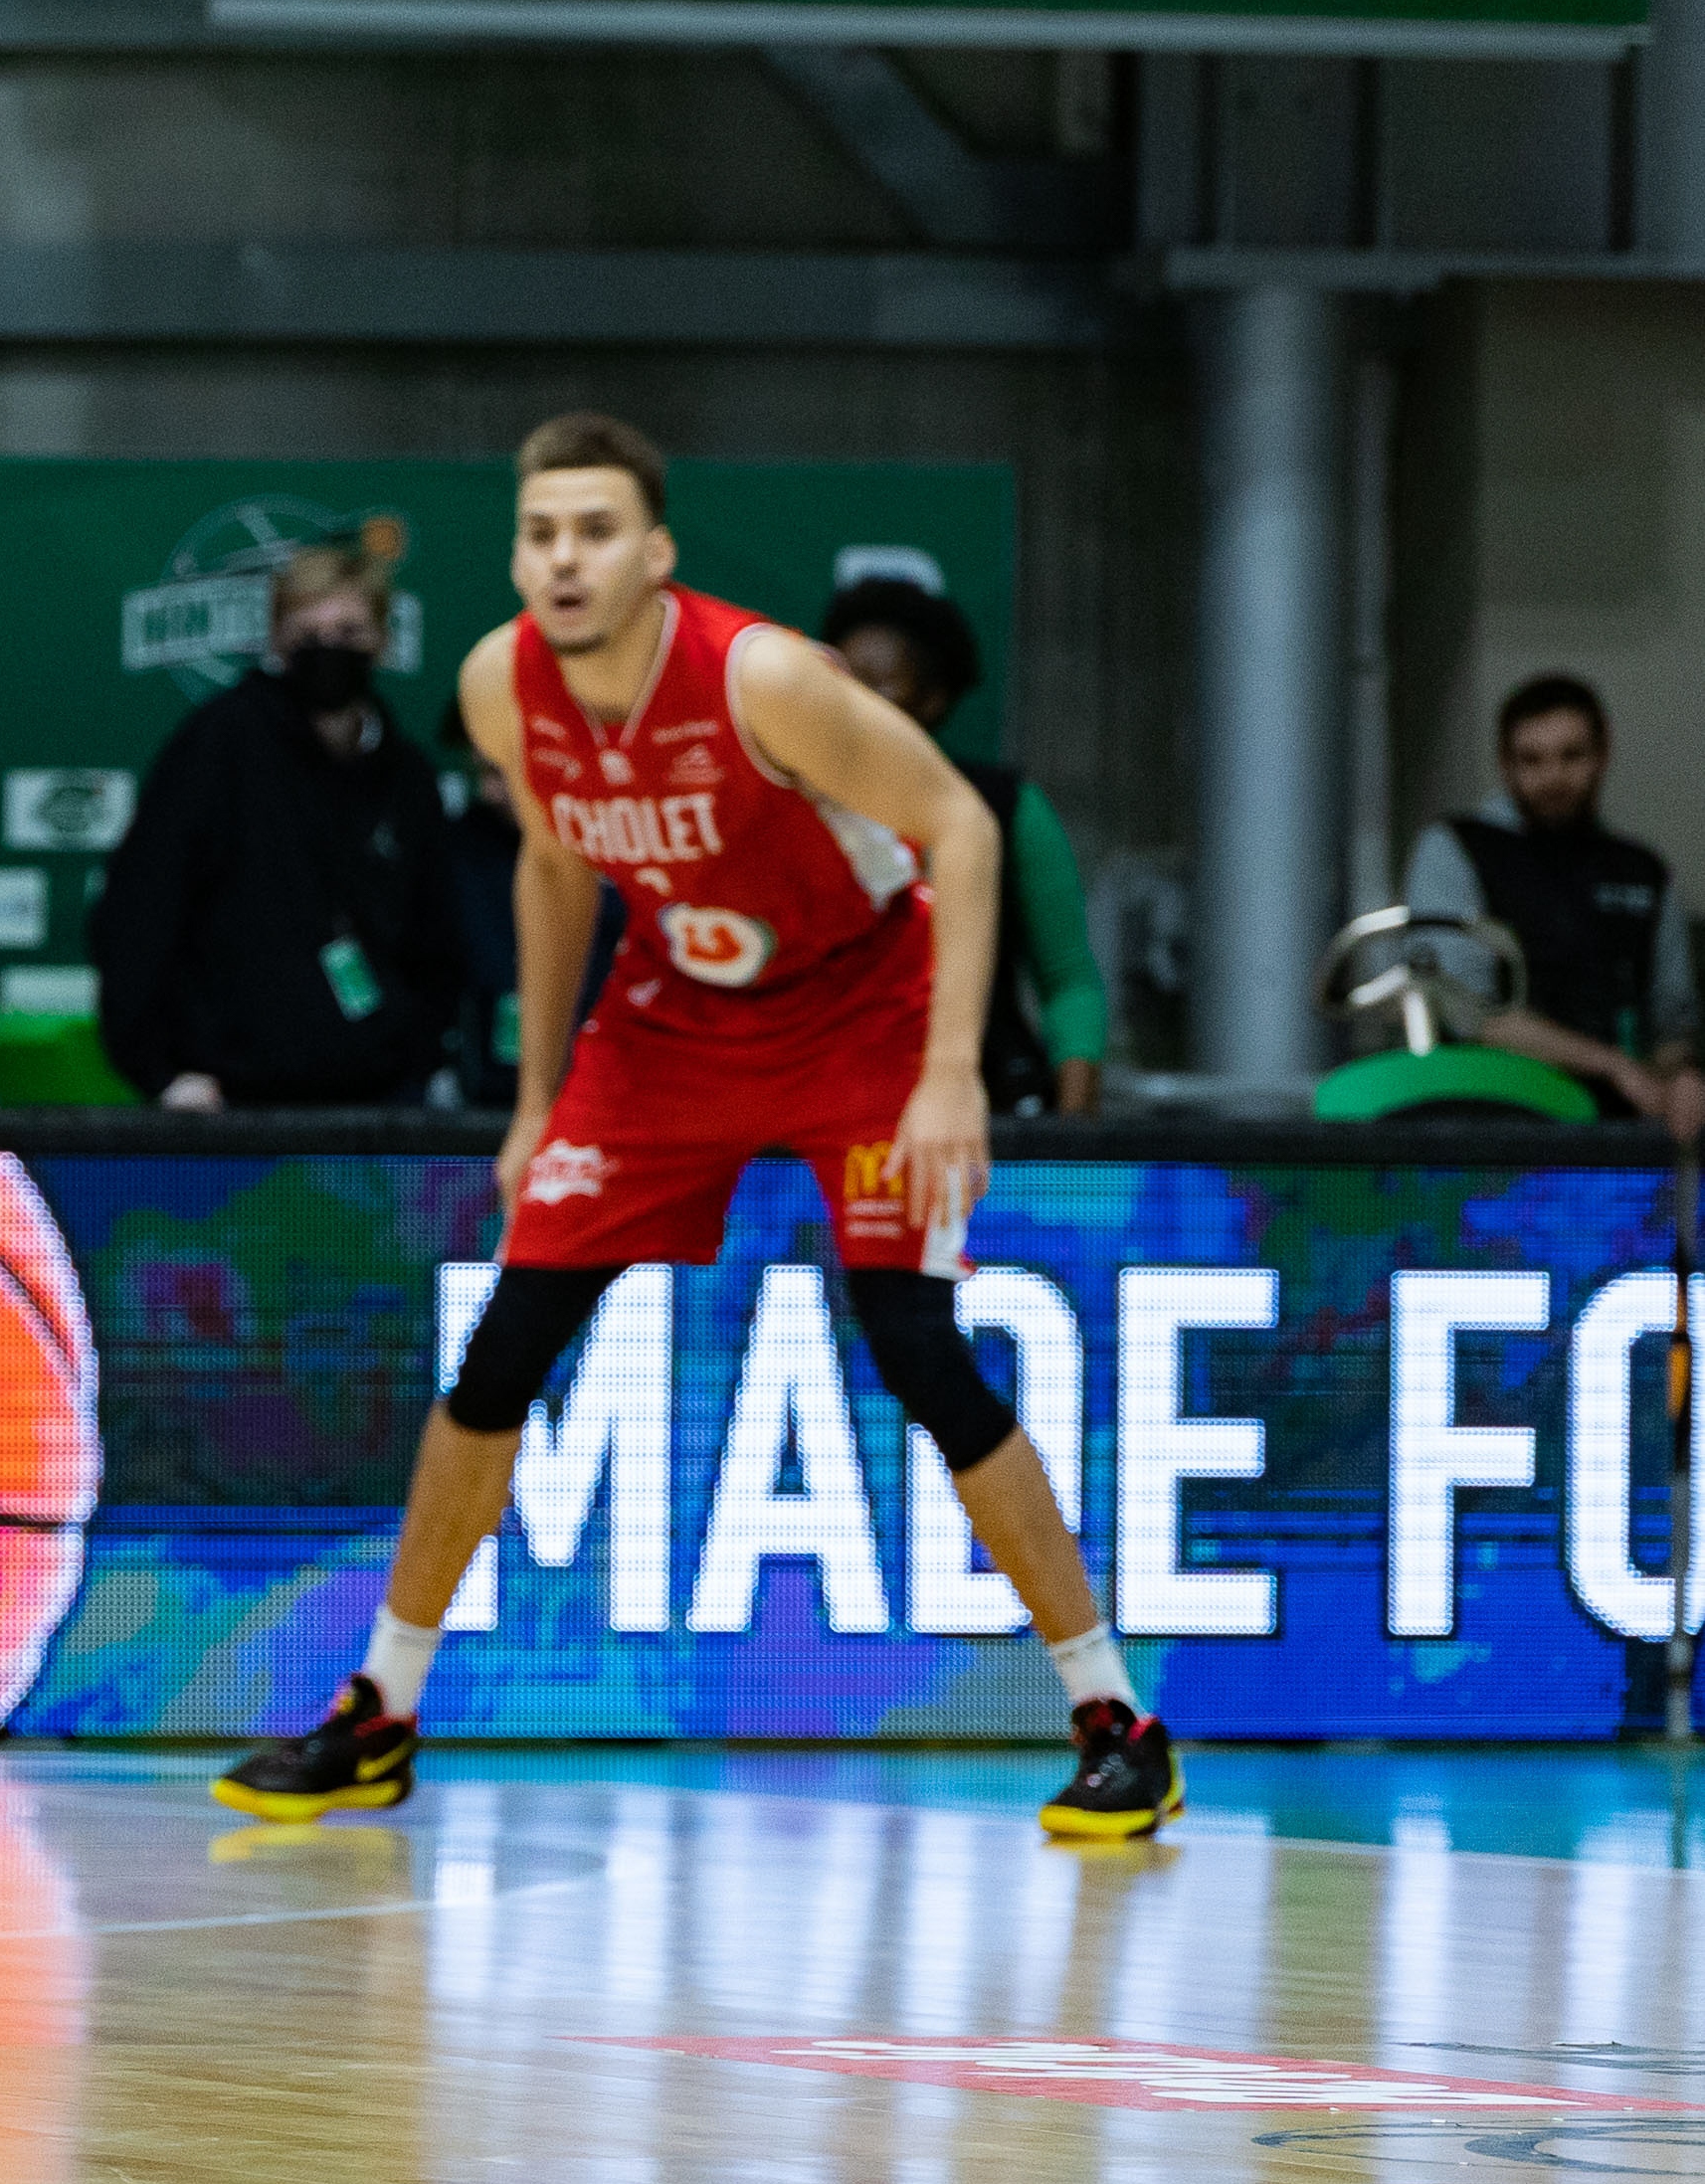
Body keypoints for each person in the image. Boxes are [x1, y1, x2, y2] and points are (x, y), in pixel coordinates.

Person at [211, 413, 1184, 1843]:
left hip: (861, 1008)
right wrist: (539, 1096)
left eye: (596, 531)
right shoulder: (501, 684)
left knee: (916, 1346)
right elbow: (552, 867)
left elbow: (961, 832)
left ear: (654, 554)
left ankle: (1116, 1717)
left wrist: (952, 1070)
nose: (565, 558)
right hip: (672, 1020)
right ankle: (380, 1712)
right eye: (541, 532)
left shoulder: (764, 678)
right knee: (505, 1347)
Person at [89, 532, 466, 1111]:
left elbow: (439, 939)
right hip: (232, 1105)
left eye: (349, 634)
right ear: (274, 641)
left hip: (377, 1110)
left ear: (385, 642)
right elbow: (137, 910)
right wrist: (161, 1072)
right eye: (308, 636)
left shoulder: (406, 776)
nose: (328, 650)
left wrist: (414, 1057)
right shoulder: (217, 748)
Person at [823, 576, 1103, 1117]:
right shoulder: (794, 805)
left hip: (989, 1112)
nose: (854, 702)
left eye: (880, 683)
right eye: (842, 681)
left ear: (935, 698)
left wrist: (1072, 1137)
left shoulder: (1006, 808)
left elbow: (1069, 981)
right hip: (831, 1114)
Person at [1407, 672, 1701, 1135]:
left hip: (1616, 1135)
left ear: (1602, 756)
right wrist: (1611, 1064)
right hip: (1486, 1121)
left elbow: (1672, 1025)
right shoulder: (1458, 848)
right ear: (1505, 766)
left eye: (1571, 756)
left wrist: (1680, 1077)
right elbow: (1466, 1011)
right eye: (1531, 760)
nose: (1553, 777)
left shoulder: (1641, 871)